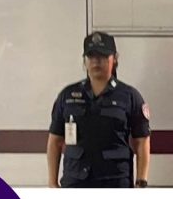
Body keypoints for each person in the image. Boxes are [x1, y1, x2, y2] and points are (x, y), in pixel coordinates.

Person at [47, 31, 151, 188]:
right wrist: (52, 182)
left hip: (115, 182)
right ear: (84, 61)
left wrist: (141, 182)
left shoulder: (129, 96)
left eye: (102, 56)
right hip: (76, 182)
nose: (96, 61)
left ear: (114, 59)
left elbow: (142, 141)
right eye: (91, 56)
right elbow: (55, 141)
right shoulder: (67, 95)